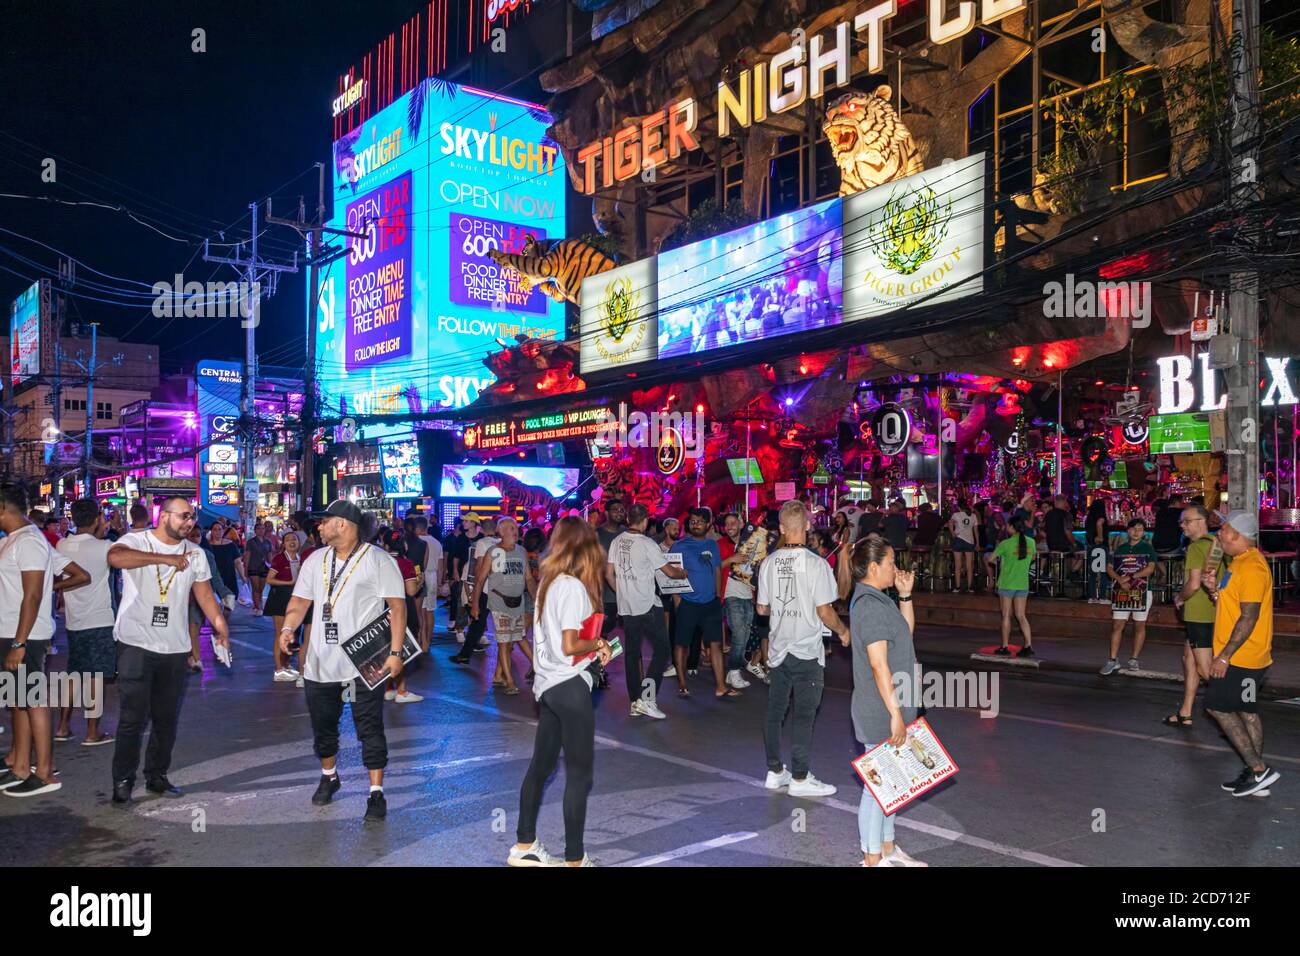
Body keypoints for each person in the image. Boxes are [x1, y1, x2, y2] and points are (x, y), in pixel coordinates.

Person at [276, 500, 407, 821]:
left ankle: (376, 793)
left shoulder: (378, 561)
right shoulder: (314, 560)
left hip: (366, 659)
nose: (318, 527)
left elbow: (397, 607)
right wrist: (289, 627)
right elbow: (299, 600)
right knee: (324, 724)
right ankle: (329, 776)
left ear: (344, 525)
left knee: (370, 726)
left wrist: (395, 653)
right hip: (321, 658)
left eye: (325, 522)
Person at [107, 496, 229, 805]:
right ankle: (122, 780)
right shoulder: (135, 539)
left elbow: (203, 593)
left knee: (165, 718)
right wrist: (164, 559)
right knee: (133, 717)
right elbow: (116, 558)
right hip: (135, 641)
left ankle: (157, 776)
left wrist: (219, 625)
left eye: (192, 518)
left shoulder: (196, 554)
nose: (190, 523)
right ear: (164, 516)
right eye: (184, 516)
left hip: (175, 647)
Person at [510, 516, 612, 867]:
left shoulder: (550, 583)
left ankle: (524, 845)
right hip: (569, 687)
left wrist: (592, 646)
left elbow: (556, 641)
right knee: (579, 776)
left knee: (541, 767)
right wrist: (598, 642)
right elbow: (570, 643)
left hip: (549, 687)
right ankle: (575, 859)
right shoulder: (571, 586)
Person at [0, 483, 89, 798]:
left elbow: (34, 592)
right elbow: (72, 576)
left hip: (24, 636)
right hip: (12, 631)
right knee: (18, 702)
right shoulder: (18, 540)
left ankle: (46, 772)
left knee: (33, 702)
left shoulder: (29, 541)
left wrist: (19, 642)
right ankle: (20, 765)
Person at [845, 536, 927, 867]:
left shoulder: (880, 600)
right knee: (877, 789)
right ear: (875, 567)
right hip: (881, 708)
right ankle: (871, 859)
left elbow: (905, 634)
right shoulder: (868, 605)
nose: (897, 567)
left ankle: (889, 851)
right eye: (892, 562)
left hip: (894, 703)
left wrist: (905, 595)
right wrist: (895, 715)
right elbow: (879, 666)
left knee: (894, 784)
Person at [756, 500, 848, 798]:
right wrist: (843, 631)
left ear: (781, 528)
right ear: (808, 526)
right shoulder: (817, 564)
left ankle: (774, 771)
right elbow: (825, 611)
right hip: (807, 650)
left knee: (774, 711)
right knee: (804, 715)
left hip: (779, 649)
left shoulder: (768, 563)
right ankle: (799, 776)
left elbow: (761, 608)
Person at [1204, 511, 1279, 797]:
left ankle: (1259, 769)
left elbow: (1248, 617)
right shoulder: (1239, 563)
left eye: (1223, 529)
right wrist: (1213, 592)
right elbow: (1232, 606)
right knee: (1247, 712)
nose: (1219, 534)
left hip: (1240, 658)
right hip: (1249, 656)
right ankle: (1256, 777)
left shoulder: (1251, 569)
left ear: (1237, 534)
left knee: (1217, 706)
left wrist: (1224, 656)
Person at [609, 504, 686, 719]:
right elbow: (669, 572)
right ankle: (648, 698)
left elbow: (608, 574)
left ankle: (635, 702)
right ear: (644, 521)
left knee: (632, 654)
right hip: (647, 606)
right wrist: (683, 574)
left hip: (627, 607)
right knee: (662, 651)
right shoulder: (647, 543)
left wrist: (624, 591)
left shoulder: (617, 541)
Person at [54, 498, 117, 747]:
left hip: (74, 620)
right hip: (100, 619)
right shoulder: (105, 547)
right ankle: (92, 732)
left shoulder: (62, 544)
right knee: (95, 678)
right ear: (96, 519)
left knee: (73, 675)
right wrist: (104, 528)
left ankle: (62, 727)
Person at [1168, 504, 1224, 726]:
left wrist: (1179, 598)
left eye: (1186, 521)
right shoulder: (1219, 544)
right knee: (1188, 660)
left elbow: (1192, 584)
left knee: (1204, 668)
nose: (1182, 525)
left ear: (1201, 522)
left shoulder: (1195, 548)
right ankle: (1186, 712)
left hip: (1198, 613)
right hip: (1217, 610)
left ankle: (1234, 706)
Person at [670, 508, 733, 699]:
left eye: (699, 521)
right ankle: (682, 683)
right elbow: (671, 576)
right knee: (681, 644)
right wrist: (677, 602)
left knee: (716, 644)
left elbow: (717, 571)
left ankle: (721, 686)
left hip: (711, 604)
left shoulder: (712, 545)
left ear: (708, 525)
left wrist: (717, 598)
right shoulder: (679, 546)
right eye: (692, 521)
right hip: (687, 603)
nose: (695, 524)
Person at [474, 517, 533, 696]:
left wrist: (538, 598)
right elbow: (480, 579)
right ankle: (509, 681)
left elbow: (529, 578)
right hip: (499, 603)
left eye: (515, 527)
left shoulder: (522, 551)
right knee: (503, 642)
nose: (515, 530)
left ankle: (498, 676)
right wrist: (475, 604)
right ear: (501, 531)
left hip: (518, 604)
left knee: (512, 642)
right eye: (511, 527)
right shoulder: (493, 552)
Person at [1100, 518, 1158, 675]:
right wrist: (1119, 579)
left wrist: (1130, 577)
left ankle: (1134, 658)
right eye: (1134, 529)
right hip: (1122, 590)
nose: (1137, 532)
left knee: (1139, 625)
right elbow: (1109, 567)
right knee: (1117, 625)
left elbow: (1150, 569)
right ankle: (1112, 659)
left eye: (1140, 529)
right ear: (1128, 530)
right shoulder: (1120, 549)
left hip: (1142, 591)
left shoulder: (1148, 549)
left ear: (1144, 532)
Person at [381, 531, 424, 704]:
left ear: (385, 545)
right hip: (402, 610)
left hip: (382, 609)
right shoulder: (405, 563)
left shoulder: (380, 562)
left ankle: (389, 688)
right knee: (401, 650)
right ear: (403, 545)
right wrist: (420, 580)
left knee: (387, 649)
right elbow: (411, 591)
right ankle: (402, 691)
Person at [719, 513, 760, 690]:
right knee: (739, 633)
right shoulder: (720, 544)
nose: (729, 527)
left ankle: (732, 671)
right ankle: (734, 670)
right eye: (727, 524)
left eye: (733, 523)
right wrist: (730, 560)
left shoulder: (753, 544)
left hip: (748, 594)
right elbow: (713, 567)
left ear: (741, 524)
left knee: (745, 633)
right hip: (730, 594)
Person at [985, 517, 1035, 657]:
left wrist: (1002, 564)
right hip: (1022, 583)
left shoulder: (1005, 544)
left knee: (1006, 615)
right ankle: (1028, 645)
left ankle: (1005, 645)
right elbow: (1033, 558)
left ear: (1012, 527)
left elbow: (990, 559)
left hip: (1007, 582)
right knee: (1021, 615)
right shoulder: (1031, 542)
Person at [452, 517, 498, 664]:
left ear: (482, 529)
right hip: (500, 587)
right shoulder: (502, 543)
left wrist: (472, 589)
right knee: (487, 623)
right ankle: (468, 651)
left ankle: (465, 653)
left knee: (476, 617)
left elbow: (476, 567)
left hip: (484, 587)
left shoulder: (481, 543)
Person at [265, 530, 306, 682]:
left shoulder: (302, 559)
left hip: (295, 599)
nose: (292, 542)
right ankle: (278, 669)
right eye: (288, 540)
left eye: (294, 539)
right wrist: (289, 583)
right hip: (280, 598)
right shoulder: (279, 559)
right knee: (280, 633)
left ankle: (286, 665)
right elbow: (269, 579)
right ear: (283, 544)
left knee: (292, 635)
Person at [414, 516, 443, 651]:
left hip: (421, 575)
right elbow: (441, 565)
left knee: (420, 611)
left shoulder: (417, 541)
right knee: (430, 611)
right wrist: (439, 583)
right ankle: (429, 639)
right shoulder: (437, 542)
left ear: (418, 528)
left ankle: (421, 640)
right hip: (433, 575)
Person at [446, 517, 474, 643]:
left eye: (467, 521)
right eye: (463, 521)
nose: (464, 523)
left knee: (476, 601)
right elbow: (454, 557)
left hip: (476, 575)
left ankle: (479, 630)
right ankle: (460, 629)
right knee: (461, 601)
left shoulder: (480, 538)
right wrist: (454, 572)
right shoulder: (459, 539)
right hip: (462, 575)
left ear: (474, 523)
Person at [949, 499, 979, 593]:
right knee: (969, 566)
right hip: (970, 541)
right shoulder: (973, 516)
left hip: (958, 540)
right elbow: (976, 531)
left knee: (958, 566)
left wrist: (952, 533)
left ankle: (957, 587)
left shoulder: (956, 515)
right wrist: (977, 543)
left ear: (958, 507)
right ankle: (970, 587)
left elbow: (950, 522)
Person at [1084, 498, 1109, 603]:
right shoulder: (1101, 517)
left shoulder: (1088, 518)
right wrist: (1100, 537)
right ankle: (1102, 597)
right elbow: (1099, 523)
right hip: (1101, 547)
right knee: (1103, 572)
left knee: (1093, 573)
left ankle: (1092, 597)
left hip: (1091, 547)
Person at [244, 521, 272, 614]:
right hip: (253, 566)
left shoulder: (268, 542)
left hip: (264, 567)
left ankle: (258, 603)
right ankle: (257, 606)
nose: (261, 530)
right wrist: (246, 569)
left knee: (261, 588)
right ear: (255, 530)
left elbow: (270, 556)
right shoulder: (251, 542)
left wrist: (272, 567)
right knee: (255, 587)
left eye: (263, 528)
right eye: (258, 528)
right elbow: (247, 555)